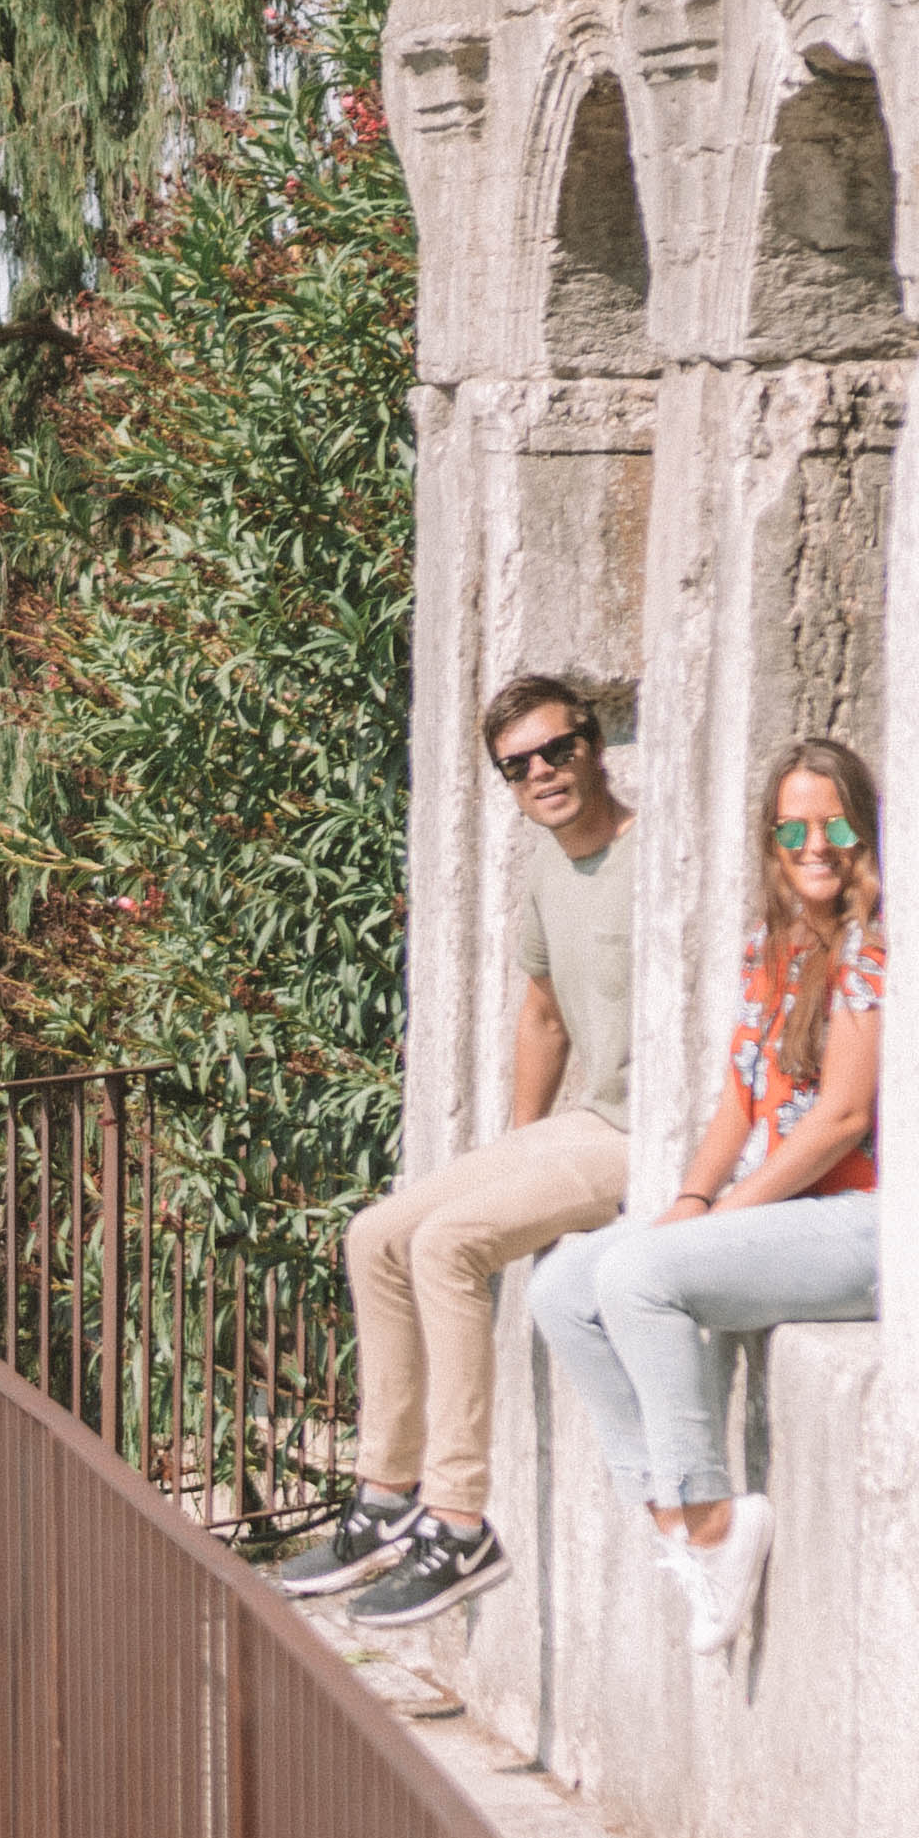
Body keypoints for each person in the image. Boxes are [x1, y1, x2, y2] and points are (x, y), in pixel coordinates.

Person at [276, 669, 640, 1624]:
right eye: (518, 767)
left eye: (557, 751)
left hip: (655, 1136)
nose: (543, 775)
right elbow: (545, 1012)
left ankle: (460, 1521)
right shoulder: (550, 867)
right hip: (584, 1126)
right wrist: (524, 1153)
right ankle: (384, 1501)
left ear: (593, 744)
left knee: (448, 1244)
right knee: (375, 1233)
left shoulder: (657, 858)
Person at [535, 737, 885, 1653]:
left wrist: (732, 1214)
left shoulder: (871, 952)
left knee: (643, 1278)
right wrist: (692, 1198)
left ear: (866, 833)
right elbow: (740, 1096)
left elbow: (841, 1119)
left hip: (865, 1223)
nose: (817, 845)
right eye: (794, 828)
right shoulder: (770, 952)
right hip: (784, 1210)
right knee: (562, 1288)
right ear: (770, 841)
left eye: (837, 825)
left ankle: (715, 1518)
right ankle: (669, 1517)